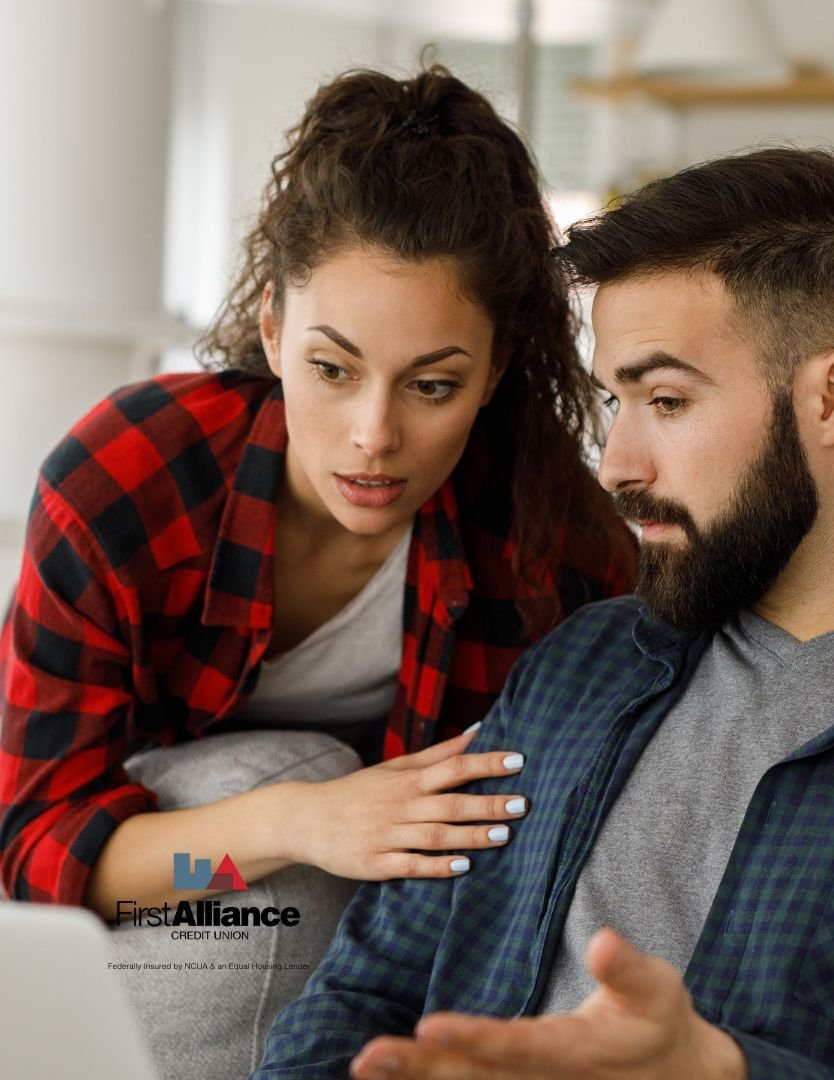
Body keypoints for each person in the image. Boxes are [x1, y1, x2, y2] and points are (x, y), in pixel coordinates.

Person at [255, 147, 834, 1080]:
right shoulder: (580, 666)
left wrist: (723, 1073)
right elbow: (363, 994)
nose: (616, 464)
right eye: (617, 401)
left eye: (667, 400)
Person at [0, 65, 635, 1079]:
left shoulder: (555, 547)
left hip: (401, 944)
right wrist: (298, 824)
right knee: (279, 836)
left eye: (433, 385)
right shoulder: (128, 483)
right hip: (173, 892)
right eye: (331, 369)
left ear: (500, 366)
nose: (372, 437)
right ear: (271, 328)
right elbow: (39, 862)